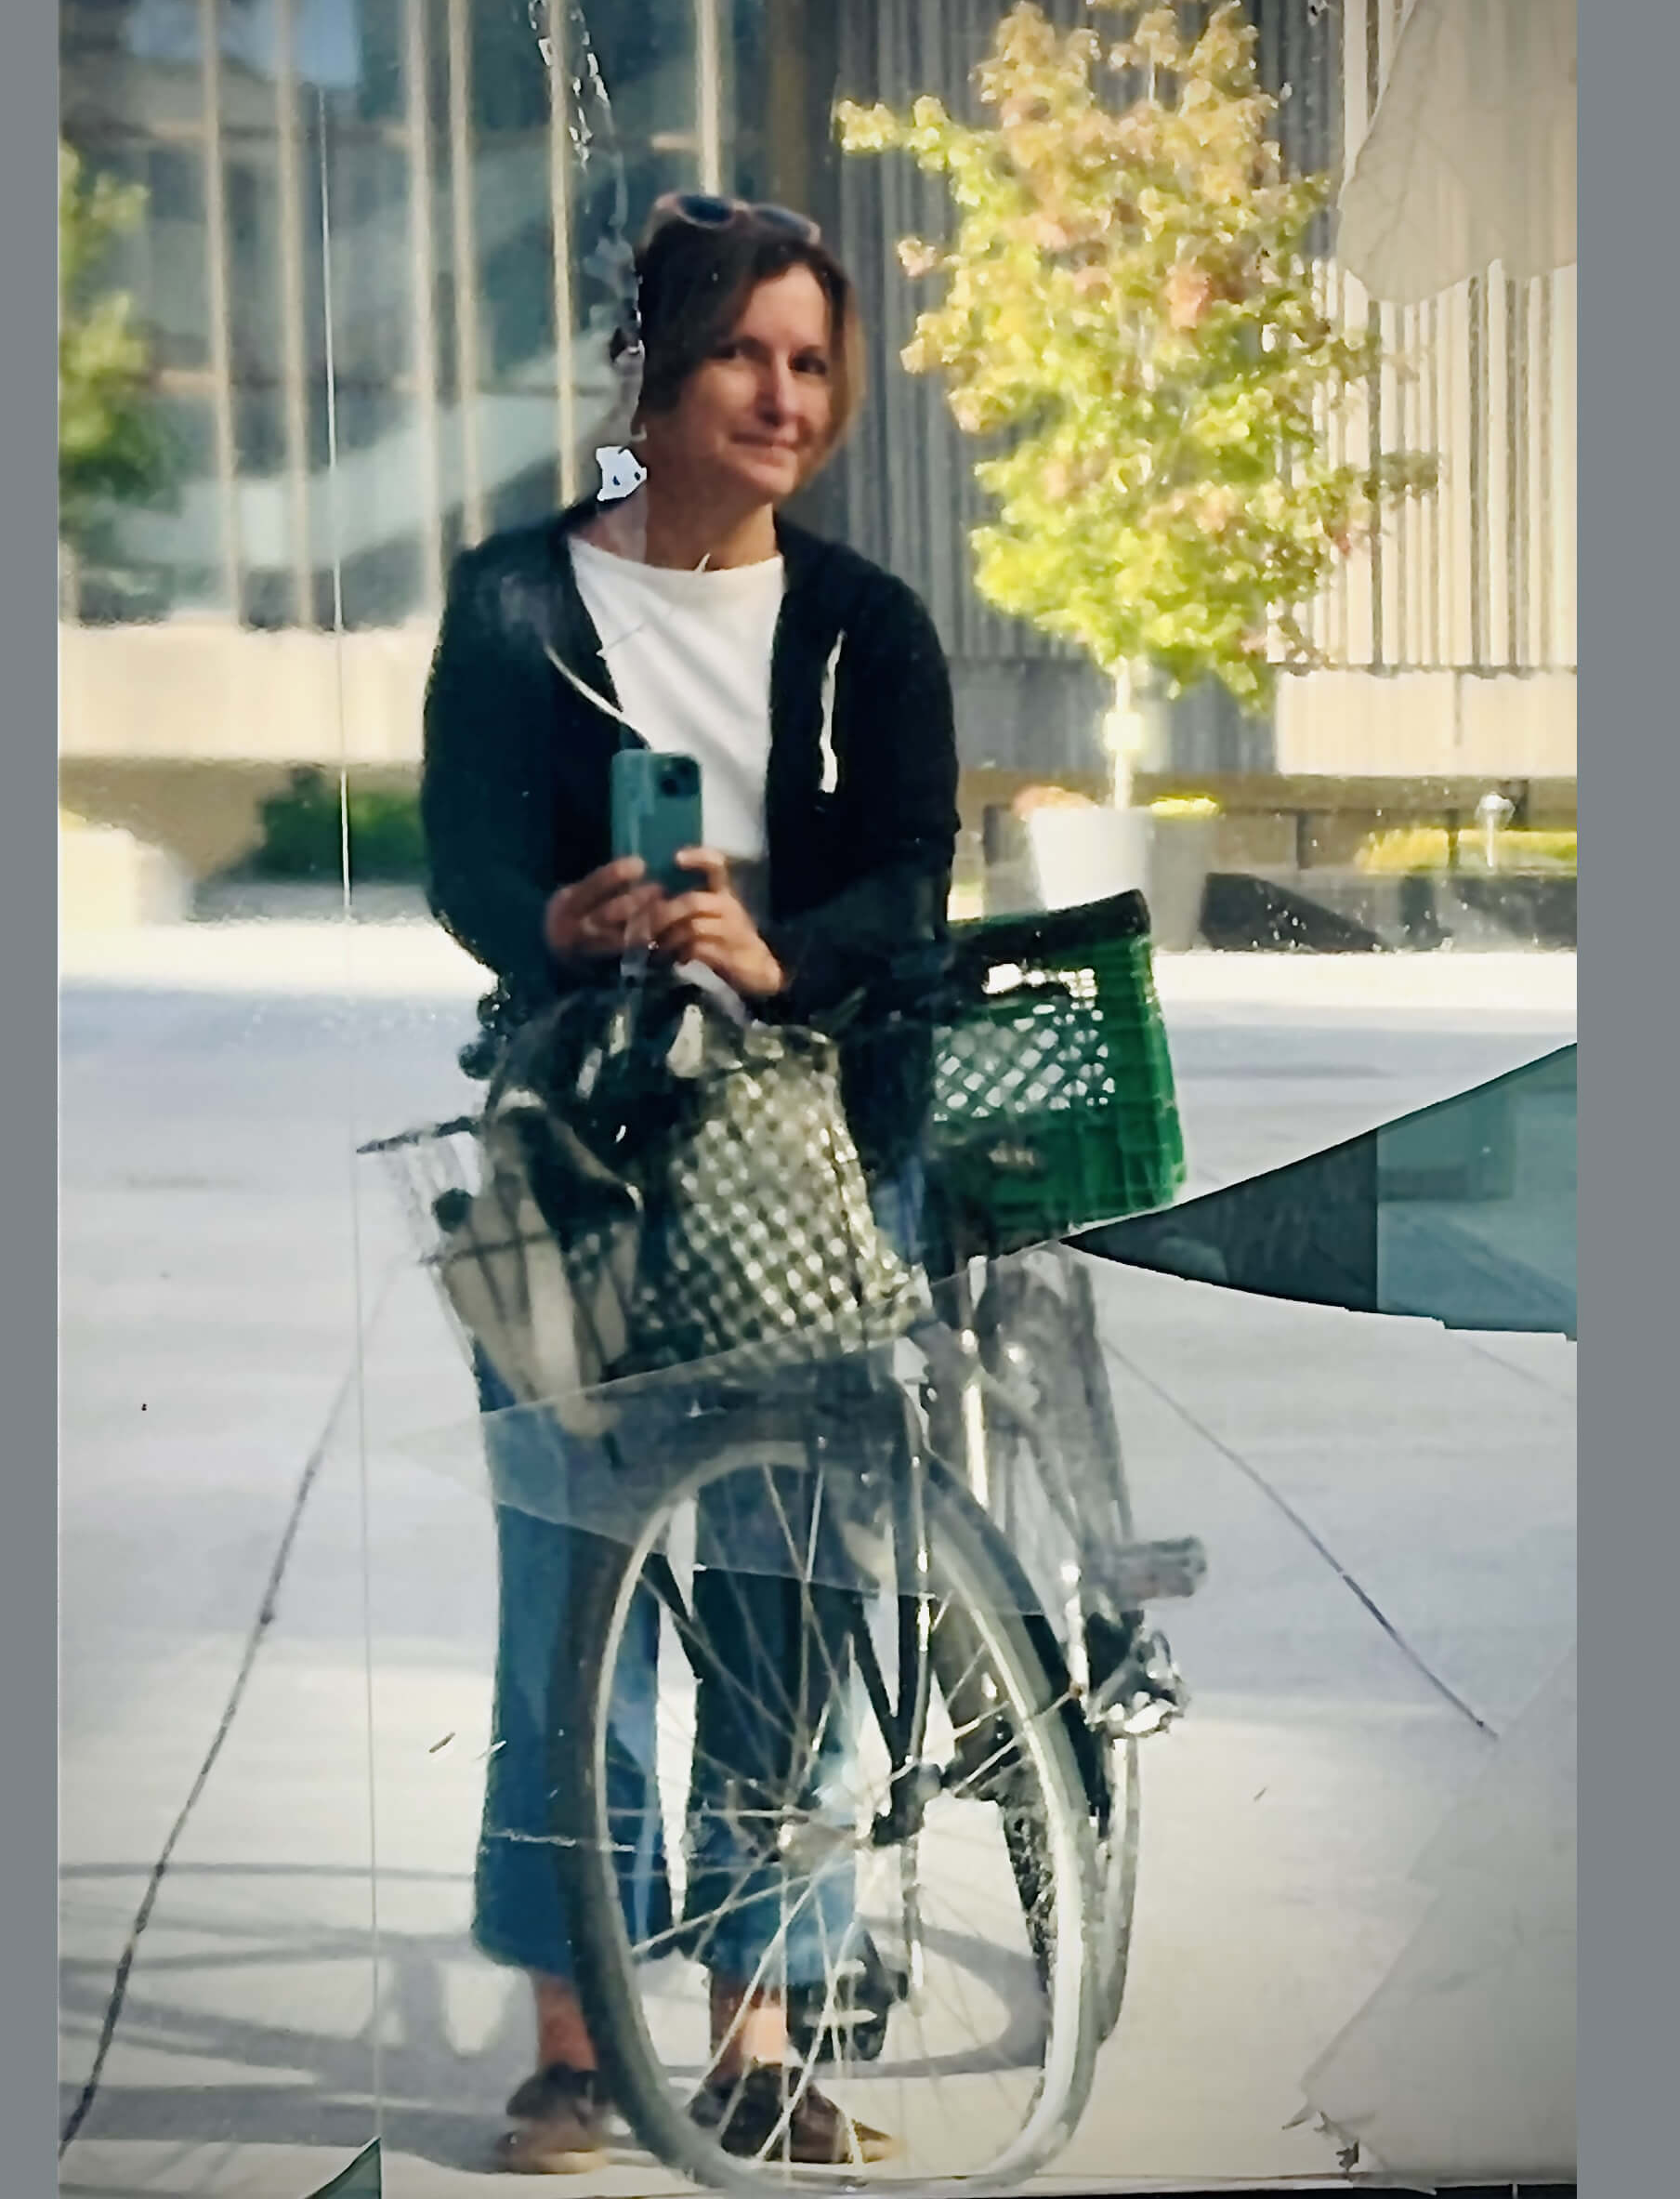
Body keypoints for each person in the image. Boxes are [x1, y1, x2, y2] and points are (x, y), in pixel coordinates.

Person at [419, 194, 961, 2172]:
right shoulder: (513, 599)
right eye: (742, 350)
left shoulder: (870, 626)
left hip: (810, 1152)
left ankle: (757, 2033)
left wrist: (776, 950)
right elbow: (464, 856)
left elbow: (911, 876)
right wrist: (556, 920)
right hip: (575, 1151)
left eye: (812, 361)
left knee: (782, 1595)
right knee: (566, 1599)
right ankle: (574, 2041)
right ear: (650, 368)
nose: (783, 394)